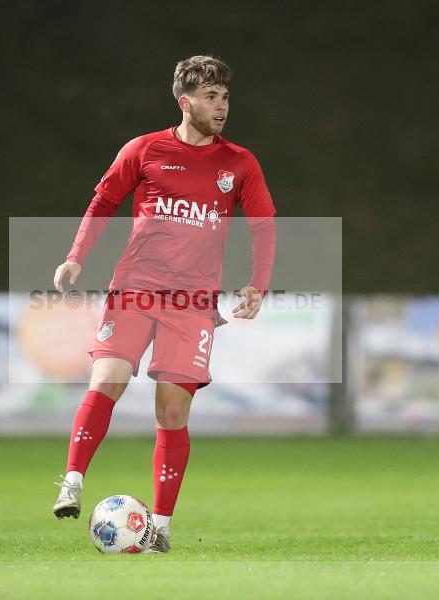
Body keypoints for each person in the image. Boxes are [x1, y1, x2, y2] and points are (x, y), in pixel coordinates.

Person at [50, 56, 277, 553]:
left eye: (225, 98)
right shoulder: (145, 150)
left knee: (172, 412)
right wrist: (75, 259)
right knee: (106, 378)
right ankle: (71, 481)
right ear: (185, 101)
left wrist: (258, 283)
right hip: (134, 288)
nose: (221, 107)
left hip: (192, 303)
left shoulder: (239, 162)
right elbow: (104, 202)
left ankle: (161, 527)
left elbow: (263, 225)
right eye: (211, 97)